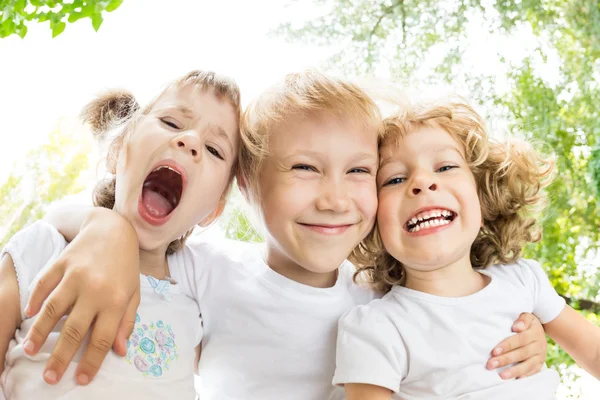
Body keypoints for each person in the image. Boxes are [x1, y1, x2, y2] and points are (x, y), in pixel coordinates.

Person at [17, 73, 548, 399]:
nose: (334, 198)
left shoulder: (382, 291)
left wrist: (525, 335)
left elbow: (457, 319)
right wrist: (104, 225)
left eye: (360, 172)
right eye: (303, 168)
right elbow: (125, 231)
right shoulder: (211, 269)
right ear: (245, 185)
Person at [333, 97, 600, 399]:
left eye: (445, 166)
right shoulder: (375, 327)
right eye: (395, 179)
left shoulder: (524, 280)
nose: (422, 182)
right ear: (373, 224)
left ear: (483, 197)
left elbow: (593, 352)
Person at [0, 70, 241, 399]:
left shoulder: (197, 297)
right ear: (117, 152)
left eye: (214, 149)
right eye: (171, 123)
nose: (191, 141)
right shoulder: (44, 247)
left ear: (213, 211)